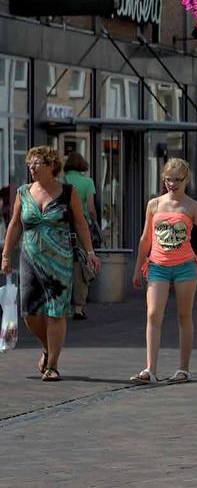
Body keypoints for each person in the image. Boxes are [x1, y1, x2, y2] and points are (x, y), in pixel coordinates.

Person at [1, 146, 100, 382]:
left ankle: (53, 365)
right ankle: (48, 347)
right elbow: (14, 225)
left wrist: (90, 252)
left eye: (37, 164)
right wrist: (6, 254)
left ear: (51, 166)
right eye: (29, 164)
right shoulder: (24, 192)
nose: (32, 168)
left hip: (60, 261)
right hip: (30, 259)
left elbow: (81, 223)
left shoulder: (68, 192)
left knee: (56, 312)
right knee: (29, 313)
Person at [130, 158, 197, 384]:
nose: (172, 184)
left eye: (177, 180)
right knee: (152, 314)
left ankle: (183, 369)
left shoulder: (192, 206)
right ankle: (150, 369)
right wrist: (138, 267)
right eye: (168, 180)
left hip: (184, 266)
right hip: (157, 266)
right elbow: (146, 237)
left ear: (186, 180)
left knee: (183, 315)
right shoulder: (155, 204)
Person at [64, 151, 98, 321]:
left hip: (61, 226)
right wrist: (95, 223)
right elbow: (91, 208)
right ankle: (78, 307)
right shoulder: (87, 182)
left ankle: (61, 304)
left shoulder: (61, 181)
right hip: (80, 226)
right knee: (80, 265)